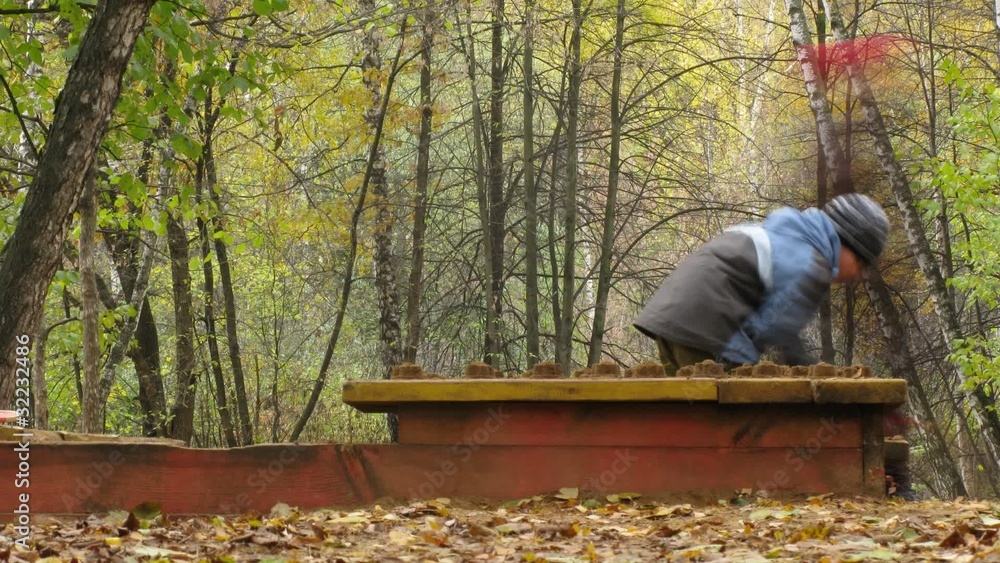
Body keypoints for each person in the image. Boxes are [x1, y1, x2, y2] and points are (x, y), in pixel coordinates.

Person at [634, 193, 917, 500]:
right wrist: (823, 388)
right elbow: (782, 331)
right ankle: (714, 495)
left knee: (690, 417)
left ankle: (677, 489)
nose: (859, 275)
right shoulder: (811, 262)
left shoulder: (786, 235)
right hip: (706, 326)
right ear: (845, 244)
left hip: (670, 318)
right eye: (861, 263)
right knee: (731, 420)